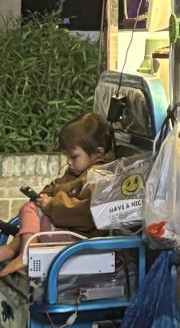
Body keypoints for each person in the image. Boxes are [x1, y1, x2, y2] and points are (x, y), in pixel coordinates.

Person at [0, 113, 115, 277]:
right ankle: (17, 250)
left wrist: (51, 204)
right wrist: (43, 196)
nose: (68, 162)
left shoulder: (100, 177)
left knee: (31, 210)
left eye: (73, 156)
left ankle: (23, 254)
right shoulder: (77, 171)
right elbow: (56, 186)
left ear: (98, 153)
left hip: (80, 240)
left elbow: (88, 212)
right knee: (32, 210)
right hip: (67, 232)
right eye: (67, 156)